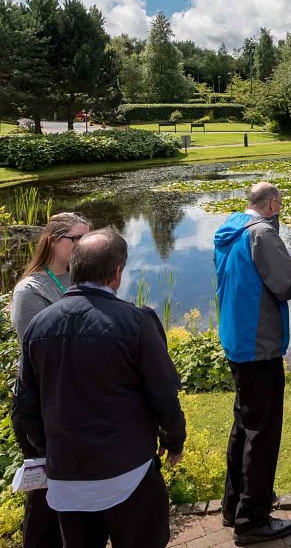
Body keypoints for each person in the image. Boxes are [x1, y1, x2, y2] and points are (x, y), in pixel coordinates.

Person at [13, 228, 186, 548]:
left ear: (75, 269)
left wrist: (48, 451)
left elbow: (25, 404)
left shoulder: (39, 326)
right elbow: (162, 394)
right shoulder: (136, 322)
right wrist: (174, 440)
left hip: (68, 482)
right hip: (128, 474)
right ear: (117, 274)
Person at [213, 182, 291, 545]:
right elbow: (285, 284)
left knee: (243, 426)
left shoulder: (231, 229)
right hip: (258, 344)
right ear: (273, 204)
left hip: (237, 339)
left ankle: (233, 505)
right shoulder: (262, 233)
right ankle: (253, 517)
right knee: (262, 433)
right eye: (280, 207)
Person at [10, 211, 92, 548]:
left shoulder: (83, 278)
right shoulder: (30, 291)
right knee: (45, 500)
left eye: (88, 238)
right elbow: (38, 358)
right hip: (43, 409)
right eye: (77, 239)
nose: (84, 246)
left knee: (75, 498)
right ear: (53, 241)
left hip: (77, 404)